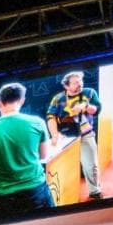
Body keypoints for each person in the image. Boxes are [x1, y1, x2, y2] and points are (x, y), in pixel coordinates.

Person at [0, 82, 59, 218]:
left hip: (2, 198)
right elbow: (43, 155)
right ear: (22, 100)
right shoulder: (38, 123)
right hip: (35, 190)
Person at [46, 70, 103, 201]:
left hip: (86, 135)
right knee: (63, 167)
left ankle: (95, 191)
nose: (80, 84)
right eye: (76, 82)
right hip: (65, 138)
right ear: (66, 86)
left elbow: (97, 109)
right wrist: (54, 135)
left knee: (90, 165)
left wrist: (87, 106)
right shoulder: (58, 98)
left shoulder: (89, 92)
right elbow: (51, 117)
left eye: (80, 81)